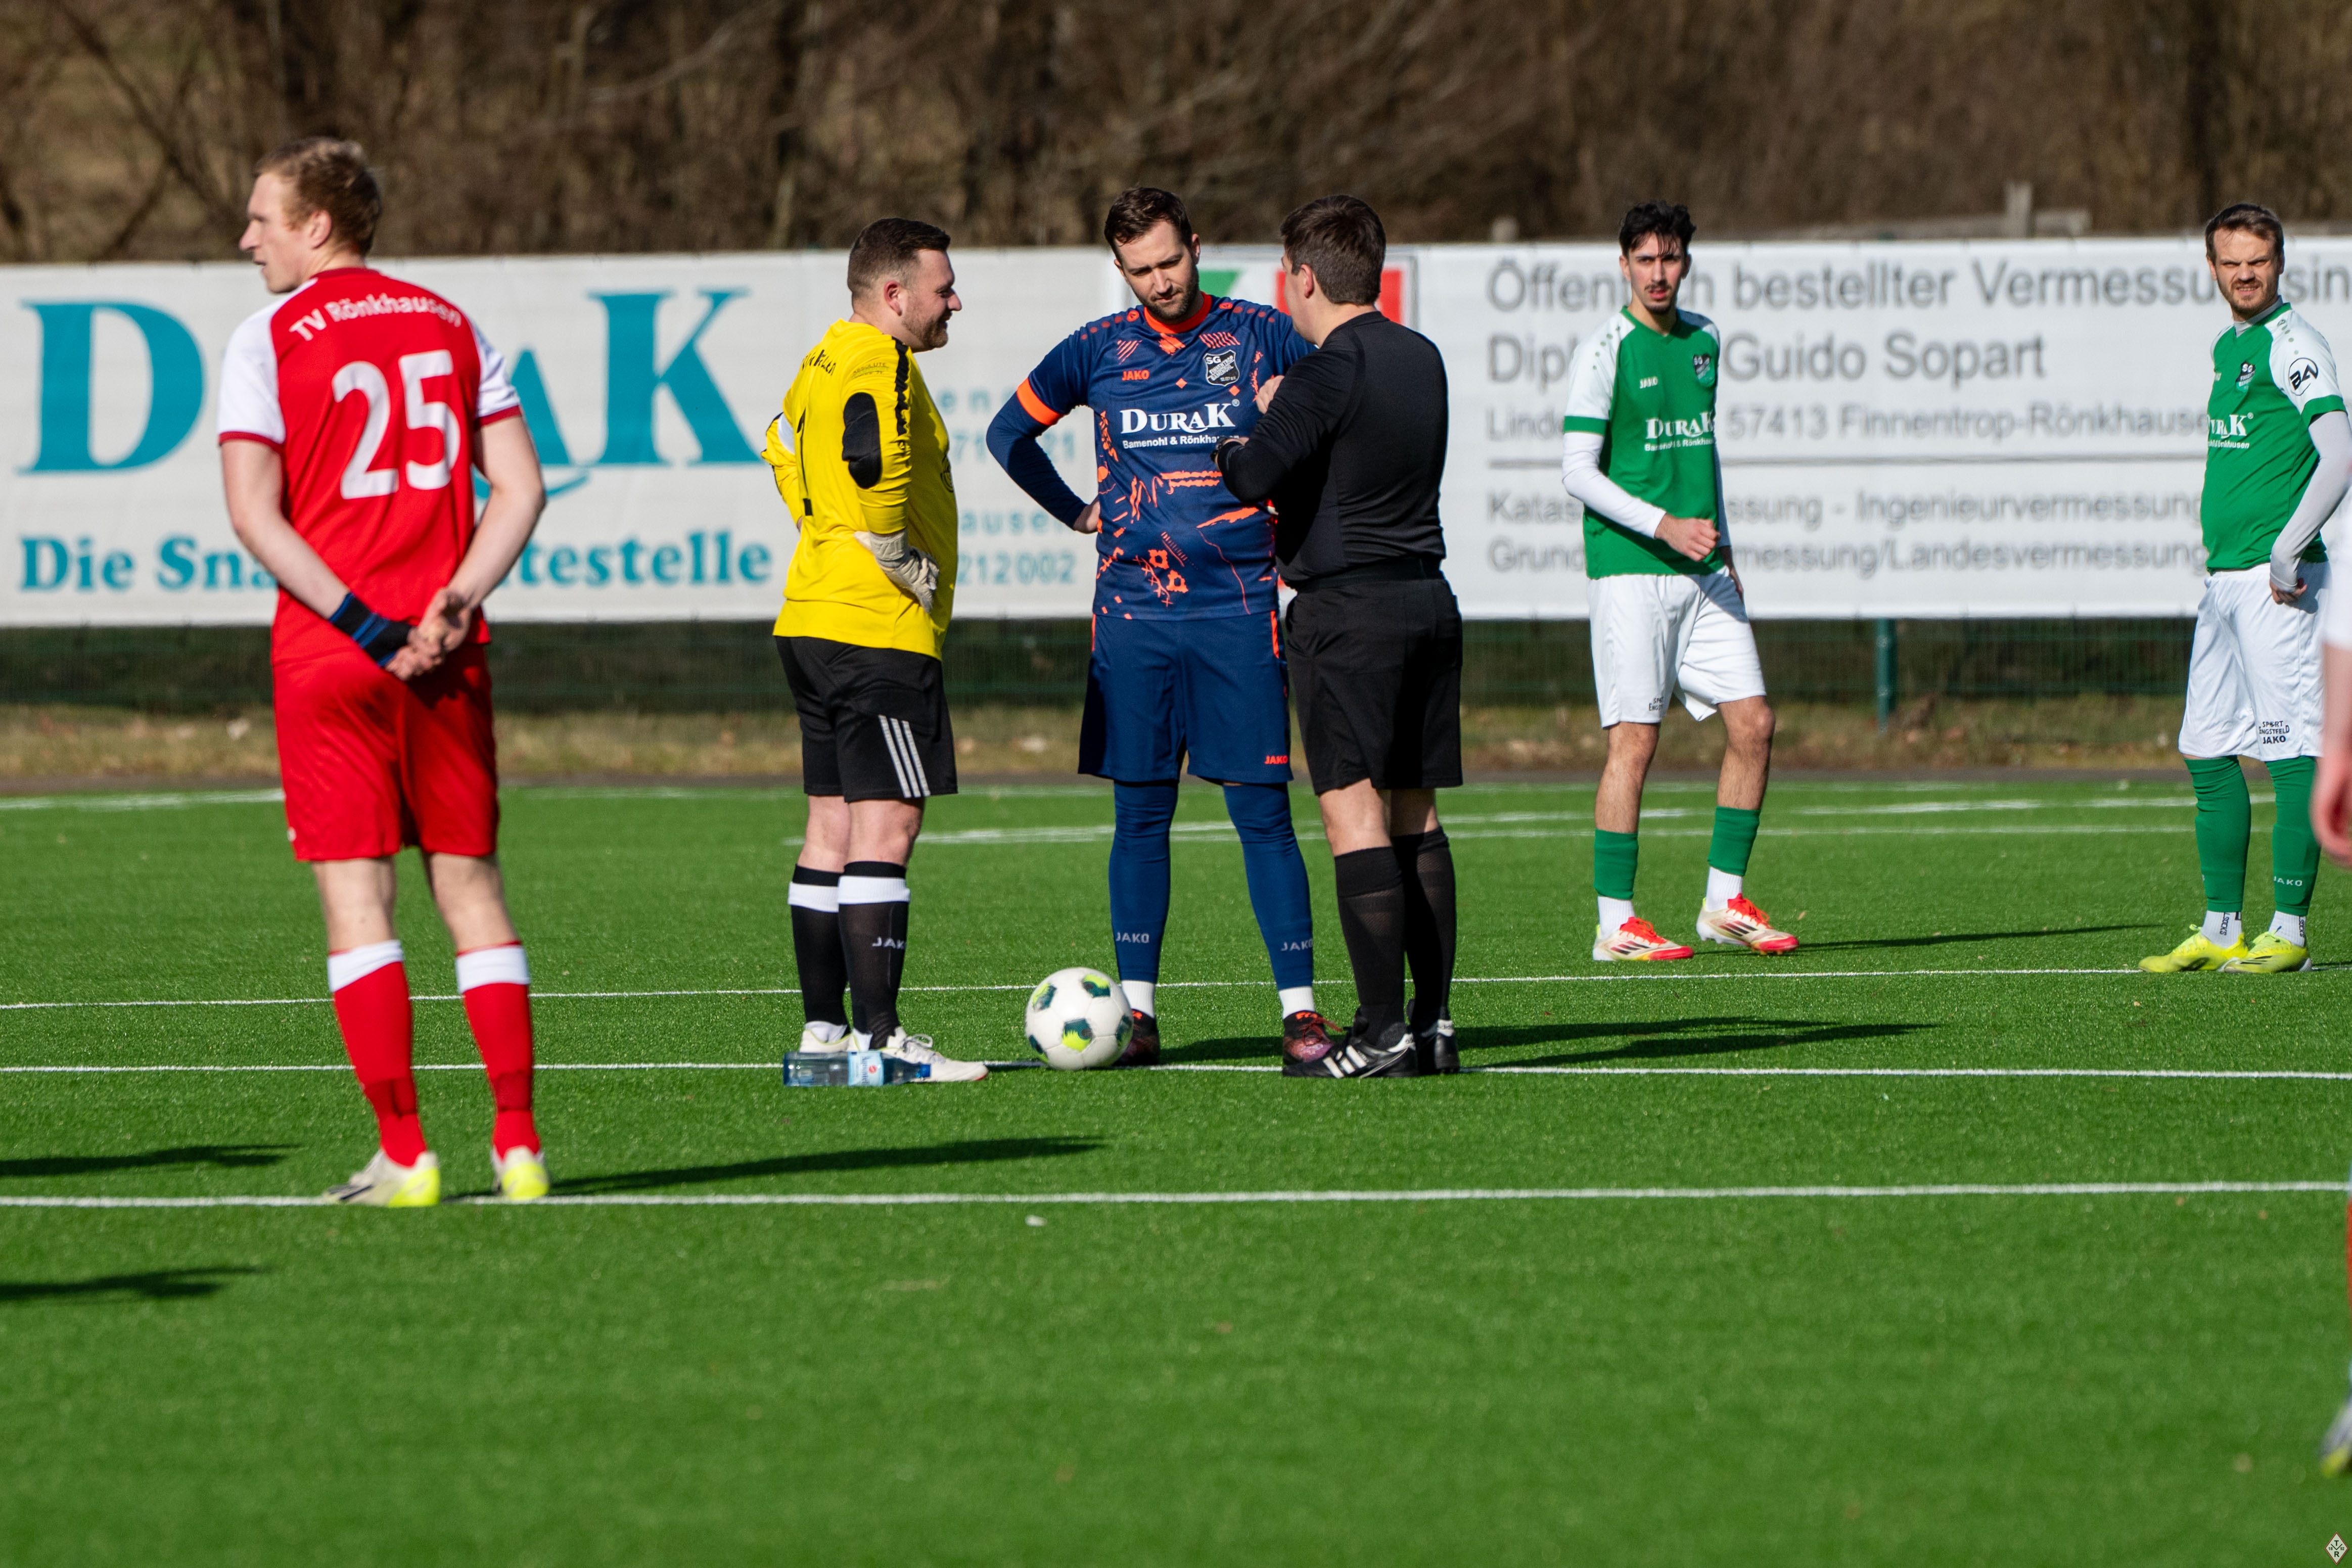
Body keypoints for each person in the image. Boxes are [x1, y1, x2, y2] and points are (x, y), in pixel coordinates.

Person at [216, 137, 549, 1207]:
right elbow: (522, 491)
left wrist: (363, 622)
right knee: (472, 891)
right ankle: (518, 1145)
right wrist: (455, 600)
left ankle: (405, 1155)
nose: (247, 238)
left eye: (262, 218)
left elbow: (253, 513)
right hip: (446, 654)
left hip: (332, 654)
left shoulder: (266, 336)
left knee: (359, 900)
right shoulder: (452, 322)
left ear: (317, 225)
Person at [985, 187, 1333, 1070]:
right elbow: (1007, 435)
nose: (1160, 282)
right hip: (1132, 619)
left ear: (1197, 247)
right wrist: (1074, 510)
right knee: (1139, 817)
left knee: (1263, 815)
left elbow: (1339, 418)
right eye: (1139, 270)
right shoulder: (1098, 348)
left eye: (1170, 261)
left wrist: (1296, 481)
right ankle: (1136, 1016)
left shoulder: (1263, 335)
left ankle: (1299, 1014)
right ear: (1119, 269)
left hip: (1238, 613)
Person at [1216, 194, 1460, 1079]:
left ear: (1306, 278)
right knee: (1415, 815)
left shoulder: (1325, 369)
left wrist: (1257, 417)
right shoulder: (1421, 355)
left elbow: (1250, 474)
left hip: (1347, 614)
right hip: (1425, 600)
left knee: (1351, 813)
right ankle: (1432, 1027)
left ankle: (1381, 1032)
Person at [765, 218, 987, 1082]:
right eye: (943, 288)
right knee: (888, 823)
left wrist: (821, 528)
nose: (953, 302)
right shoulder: (881, 361)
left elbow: (779, 442)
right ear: (894, 296)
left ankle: (825, 1038)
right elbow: (869, 454)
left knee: (830, 826)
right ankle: (882, 1041)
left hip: (812, 615)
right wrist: (890, 548)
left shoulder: (823, 354)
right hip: (875, 630)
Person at [1556, 201, 1795, 965]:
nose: (1658, 273)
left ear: (1686, 262)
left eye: (1670, 258)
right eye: (1645, 259)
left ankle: (1724, 903)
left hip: (1706, 571)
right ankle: (1615, 923)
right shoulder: (1605, 350)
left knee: (1754, 724)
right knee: (1635, 741)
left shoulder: (1704, 340)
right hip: (1632, 571)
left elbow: (1705, 449)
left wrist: (1727, 544)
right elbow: (1576, 472)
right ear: (1622, 264)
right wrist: (1663, 524)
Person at [2142, 202, 2349, 975]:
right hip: (2224, 582)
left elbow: (2338, 450)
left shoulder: (2292, 344)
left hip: (2276, 586)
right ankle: (2221, 927)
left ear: (2279, 263)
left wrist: (2287, 549)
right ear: (2211, 268)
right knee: (2205, 748)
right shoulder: (2229, 345)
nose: (2243, 274)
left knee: (2290, 750)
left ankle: (2287, 932)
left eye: (2256, 260)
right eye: (2229, 262)